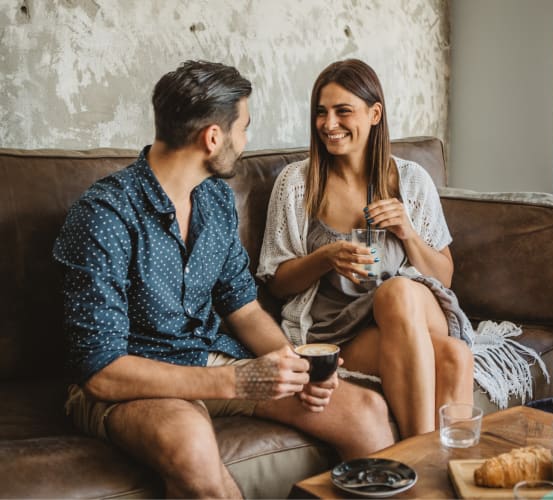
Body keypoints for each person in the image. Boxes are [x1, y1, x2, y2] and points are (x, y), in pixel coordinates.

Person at [53, 60, 394, 499]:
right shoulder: (103, 217)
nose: (245, 141)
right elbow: (100, 372)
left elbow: (245, 307)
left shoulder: (215, 200)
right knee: (191, 443)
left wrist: (298, 365)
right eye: (244, 128)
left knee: (364, 410)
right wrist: (235, 381)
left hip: (207, 357)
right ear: (213, 138)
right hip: (134, 378)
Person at [257, 59, 475, 439]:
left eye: (343, 112)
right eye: (321, 113)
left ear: (375, 114)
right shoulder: (296, 184)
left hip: (413, 310)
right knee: (455, 356)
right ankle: (437, 472)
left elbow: (444, 277)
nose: (329, 124)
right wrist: (325, 258)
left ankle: (415, 460)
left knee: (397, 291)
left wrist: (407, 232)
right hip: (340, 330)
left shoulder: (410, 180)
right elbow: (276, 283)